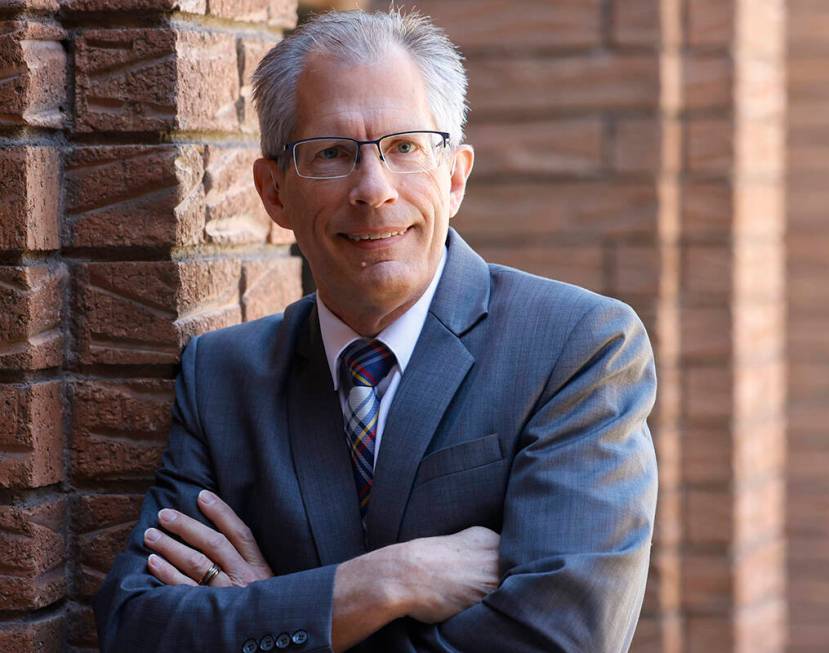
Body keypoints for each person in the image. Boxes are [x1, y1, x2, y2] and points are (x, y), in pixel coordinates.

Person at [94, 8, 658, 653]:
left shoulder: (577, 347)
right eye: (332, 153)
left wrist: (280, 613)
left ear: (455, 174)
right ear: (273, 191)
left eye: (405, 148)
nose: (373, 190)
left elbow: (562, 638)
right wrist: (381, 583)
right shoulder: (222, 378)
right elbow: (137, 630)